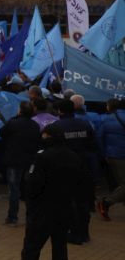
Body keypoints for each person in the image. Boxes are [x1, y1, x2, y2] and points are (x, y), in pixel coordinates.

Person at [1, 126, 87, 260]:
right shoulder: (74, 157)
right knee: (60, 247)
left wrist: (31, 204)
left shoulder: (42, 157)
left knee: (32, 246)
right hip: (64, 209)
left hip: (43, 209)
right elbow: (82, 184)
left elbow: (32, 183)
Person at [48, 98, 97, 244]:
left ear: (59, 111)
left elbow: (51, 148)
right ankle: (84, 232)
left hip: (63, 169)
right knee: (82, 201)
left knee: (67, 201)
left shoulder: (56, 126)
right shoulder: (85, 124)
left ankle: (74, 232)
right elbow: (92, 145)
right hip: (82, 166)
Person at [0, 101, 41, 225]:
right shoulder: (35, 125)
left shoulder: (13, 123)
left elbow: (2, 133)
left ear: (20, 111)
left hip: (14, 160)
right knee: (28, 189)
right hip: (29, 161)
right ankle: (30, 217)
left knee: (14, 189)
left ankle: (13, 217)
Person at [97, 97, 125, 219]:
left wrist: (104, 154)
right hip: (120, 154)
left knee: (122, 183)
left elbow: (99, 138)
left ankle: (106, 202)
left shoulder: (106, 119)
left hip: (114, 155)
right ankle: (106, 202)